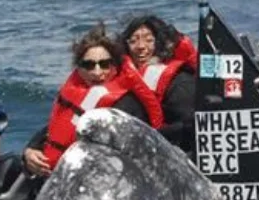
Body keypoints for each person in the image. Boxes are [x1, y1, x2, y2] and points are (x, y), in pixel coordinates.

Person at [22, 24, 164, 177]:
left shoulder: (127, 107)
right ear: (78, 68)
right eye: (88, 65)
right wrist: (30, 152)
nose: (97, 73)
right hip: (55, 175)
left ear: (115, 66)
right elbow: (53, 130)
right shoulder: (75, 98)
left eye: (104, 64)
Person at [121, 14, 198, 151]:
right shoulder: (120, 77)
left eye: (149, 40)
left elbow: (192, 127)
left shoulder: (180, 82)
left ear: (160, 43)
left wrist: (151, 137)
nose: (141, 46)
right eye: (133, 41)